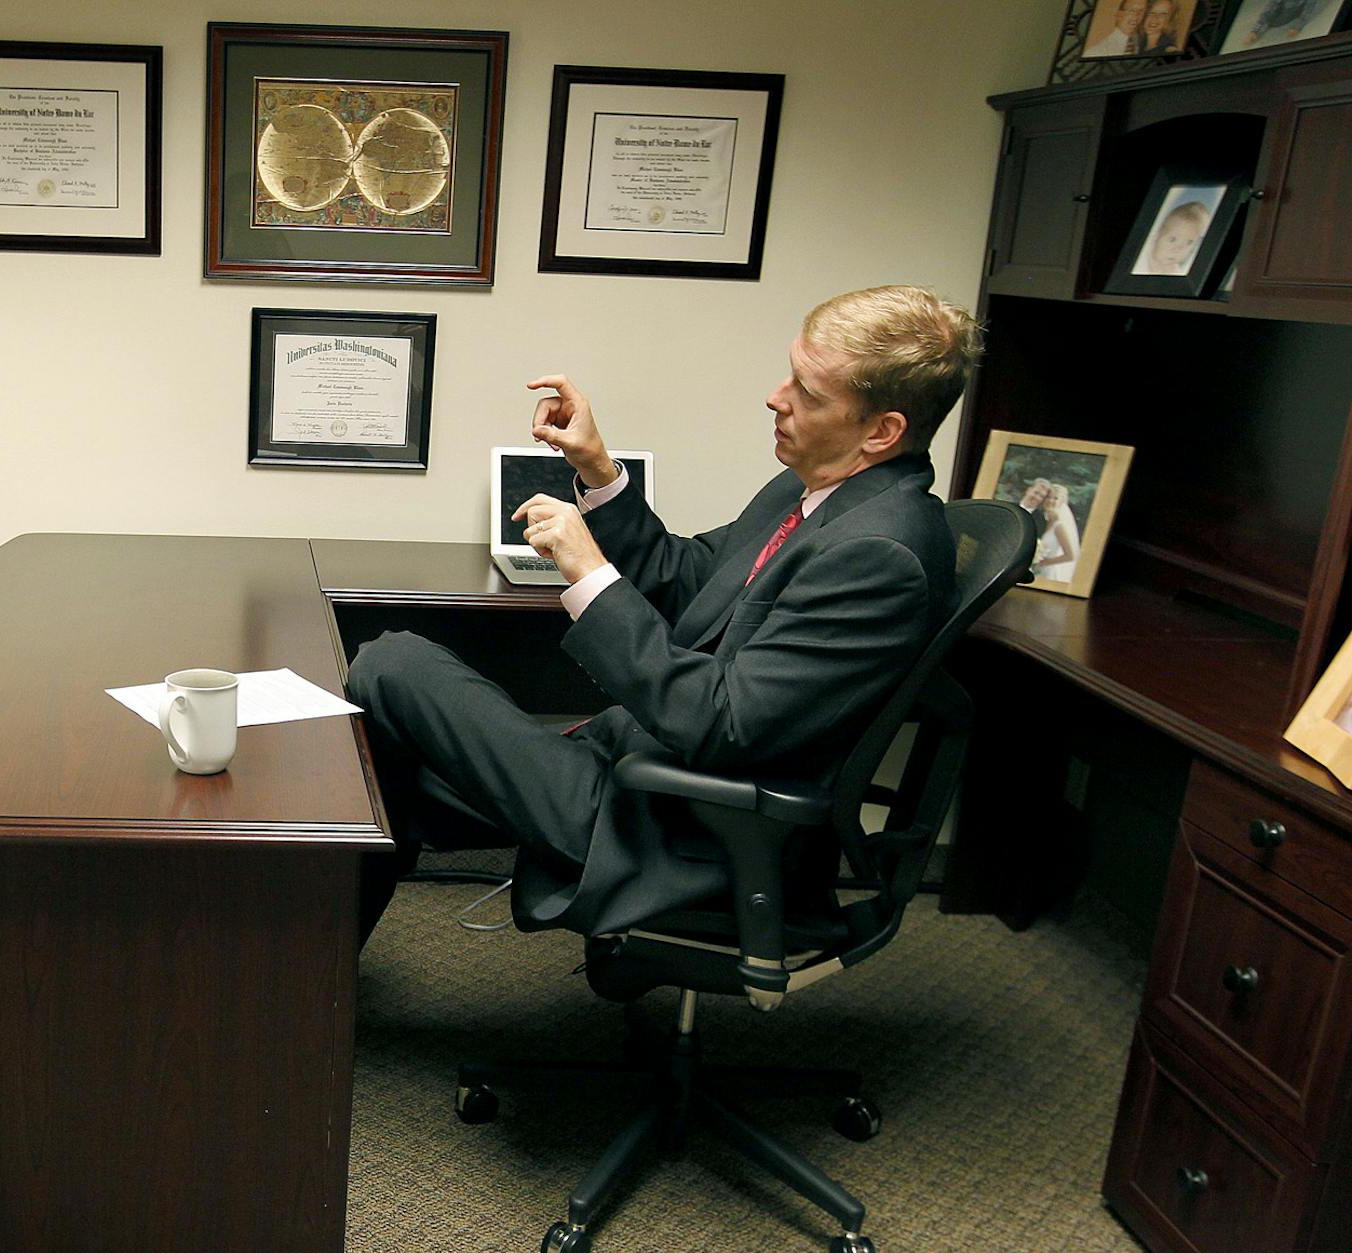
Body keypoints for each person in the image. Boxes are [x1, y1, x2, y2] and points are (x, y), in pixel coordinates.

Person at [345, 286, 979, 939]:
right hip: (636, 770)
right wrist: (595, 468)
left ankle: (311, 997)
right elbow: (685, 577)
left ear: (882, 431)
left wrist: (587, 571)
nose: (777, 396)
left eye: (809, 393)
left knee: (394, 664)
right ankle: (314, 993)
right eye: (792, 372)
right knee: (389, 772)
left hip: (682, 826)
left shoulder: (881, 553)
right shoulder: (817, 490)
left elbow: (724, 724)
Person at [1141, 200, 1210, 275]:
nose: (1178, 249)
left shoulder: (1176, 272)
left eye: (1188, 243)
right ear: (1157, 236)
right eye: (1172, 239)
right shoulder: (1140, 256)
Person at [1036, 483, 1083, 582]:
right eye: (1048, 497)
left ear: (1061, 502)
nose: (1050, 500)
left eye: (1055, 498)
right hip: (1039, 570)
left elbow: (1070, 556)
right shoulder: (1047, 521)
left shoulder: (1059, 526)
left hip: (1050, 572)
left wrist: (1045, 562)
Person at [1084, 0, 1148, 55]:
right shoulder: (1097, 51)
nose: (1136, 16)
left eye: (1141, 11)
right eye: (1132, 10)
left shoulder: (1144, 45)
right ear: (1119, 14)